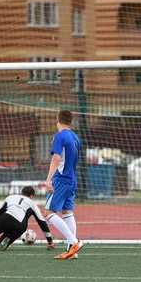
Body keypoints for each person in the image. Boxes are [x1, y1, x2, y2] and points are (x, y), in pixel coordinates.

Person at [44, 109, 84, 260]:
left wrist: (48, 179)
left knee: (48, 213)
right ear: (71, 122)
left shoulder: (60, 135)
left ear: (57, 119)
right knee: (67, 212)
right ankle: (71, 250)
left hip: (61, 179)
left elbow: (56, 158)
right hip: (72, 180)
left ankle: (74, 242)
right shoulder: (75, 137)